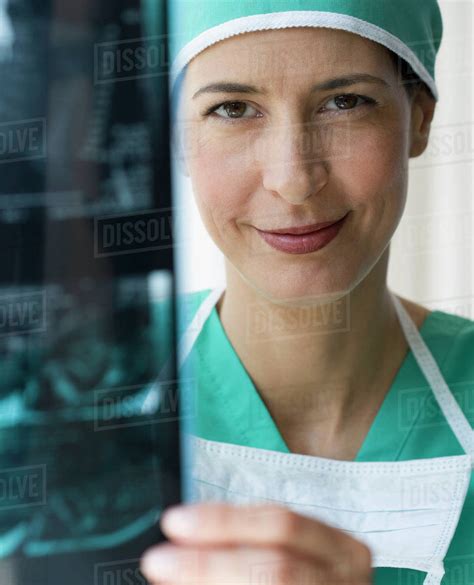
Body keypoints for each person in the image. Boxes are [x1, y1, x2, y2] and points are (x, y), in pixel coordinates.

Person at [142, 2, 474, 584]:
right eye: (232, 108)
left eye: (344, 102)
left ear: (419, 118)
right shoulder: (64, 399)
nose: (293, 178)